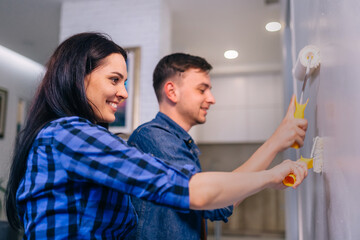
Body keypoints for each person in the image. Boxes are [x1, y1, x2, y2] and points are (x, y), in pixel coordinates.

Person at [5, 32, 308, 239]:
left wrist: (277, 148)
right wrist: (272, 173)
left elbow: (214, 198)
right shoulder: (71, 135)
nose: (123, 93)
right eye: (114, 80)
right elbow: (201, 194)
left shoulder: (70, 136)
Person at [126, 53, 309, 240]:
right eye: (202, 90)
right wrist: (271, 175)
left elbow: (218, 201)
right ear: (172, 92)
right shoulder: (152, 137)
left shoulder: (176, 142)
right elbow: (205, 196)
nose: (212, 98)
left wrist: (276, 142)